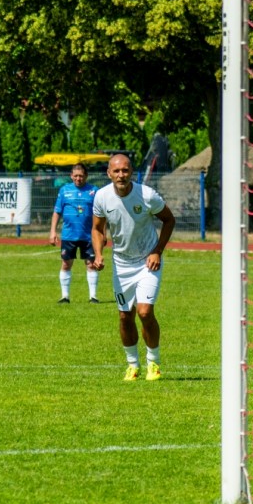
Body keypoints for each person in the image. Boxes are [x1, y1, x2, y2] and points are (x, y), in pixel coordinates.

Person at [91, 153, 176, 381]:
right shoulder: (101, 197)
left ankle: (153, 363)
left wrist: (157, 250)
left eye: (125, 170)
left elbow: (169, 220)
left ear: (132, 172)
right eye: (116, 171)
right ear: (109, 173)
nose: (121, 175)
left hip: (148, 261)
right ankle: (132, 365)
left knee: (145, 312)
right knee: (124, 316)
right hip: (121, 264)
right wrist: (98, 254)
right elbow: (97, 229)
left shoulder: (147, 195)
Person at [50, 163, 99, 303]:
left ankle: (93, 297)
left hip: (89, 235)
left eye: (81, 176)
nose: (78, 178)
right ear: (71, 176)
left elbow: (100, 214)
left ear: (86, 176)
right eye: (76, 176)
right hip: (68, 235)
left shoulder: (94, 191)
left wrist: (102, 232)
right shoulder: (64, 190)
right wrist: (53, 231)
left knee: (91, 264)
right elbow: (57, 212)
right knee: (66, 263)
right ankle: (65, 296)